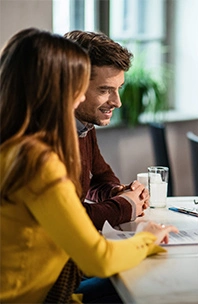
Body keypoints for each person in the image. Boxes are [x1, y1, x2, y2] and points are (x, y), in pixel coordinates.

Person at [0, 28, 178, 303]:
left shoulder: (14, 144)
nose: (80, 96)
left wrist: (119, 197)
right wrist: (147, 238)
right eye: (77, 85)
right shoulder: (37, 161)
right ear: (56, 88)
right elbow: (99, 259)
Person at [63, 30, 148, 230]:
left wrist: (117, 192)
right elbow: (71, 220)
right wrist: (126, 206)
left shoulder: (85, 124)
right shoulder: (47, 137)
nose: (117, 102)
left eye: (118, 88)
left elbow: (99, 178)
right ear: (73, 86)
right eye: (105, 90)